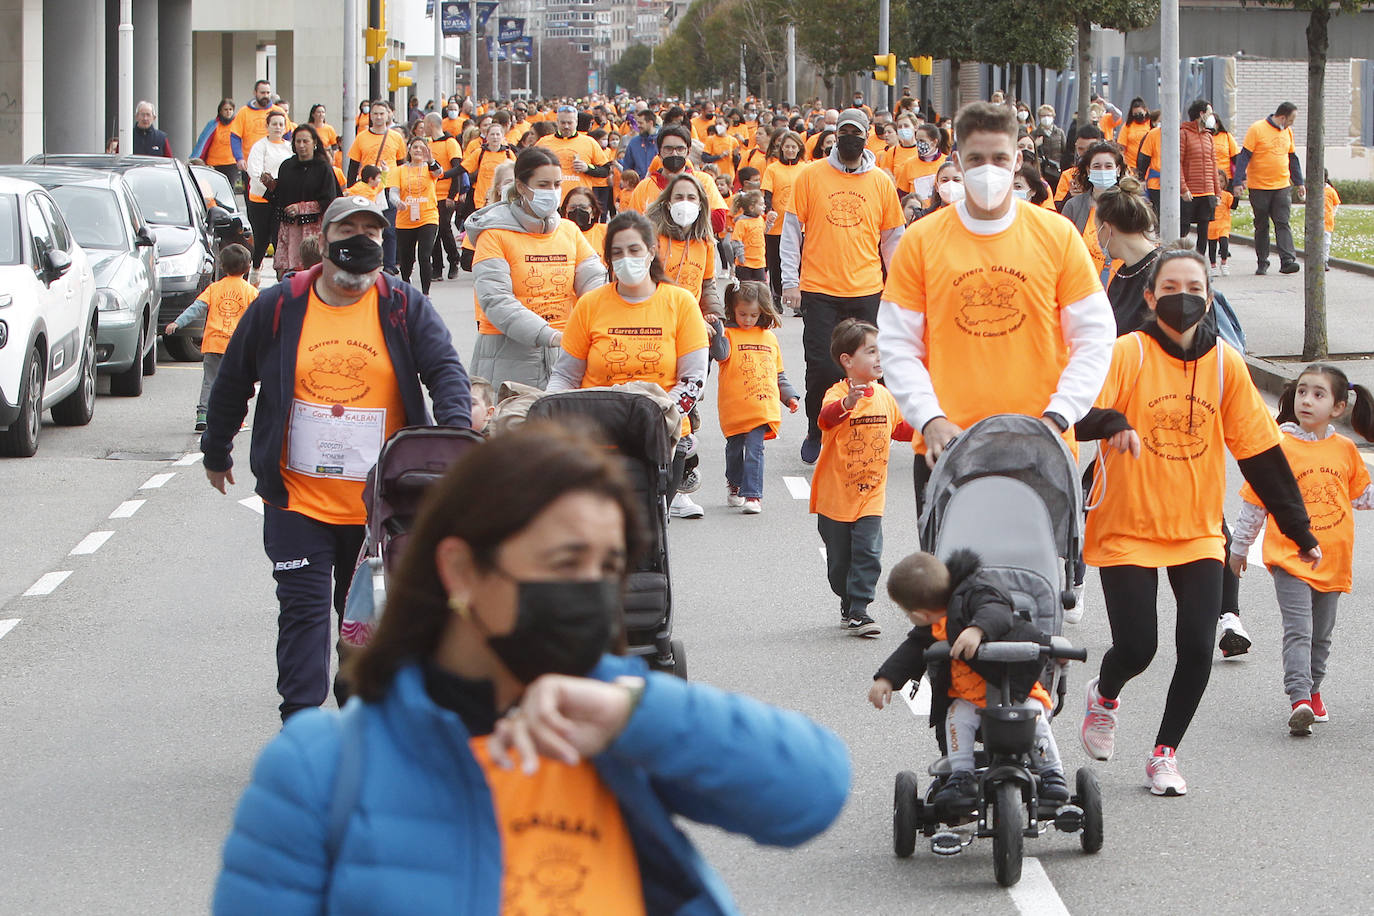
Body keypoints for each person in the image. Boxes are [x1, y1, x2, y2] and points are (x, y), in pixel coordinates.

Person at [212, 423, 851, 914]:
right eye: (565, 561)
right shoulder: (321, 771)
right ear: (462, 570)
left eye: (608, 567)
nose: (592, 591)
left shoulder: (612, 730)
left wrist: (636, 710)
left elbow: (811, 792)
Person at [200, 194, 471, 722]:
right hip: (297, 499)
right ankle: (302, 726)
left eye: (372, 233)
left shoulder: (402, 304)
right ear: (322, 241)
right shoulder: (280, 305)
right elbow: (233, 379)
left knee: (365, 625)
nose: (360, 243)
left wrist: (455, 441)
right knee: (302, 614)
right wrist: (217, 448)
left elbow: (446, 373)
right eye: (348, 232)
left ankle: (359, 718)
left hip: (380, 508)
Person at [1077, 245, 1317, 796]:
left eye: (1193, 290)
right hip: (1127, 527)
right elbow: (1074, 412)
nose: (1182, 300)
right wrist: (1112, 419)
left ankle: (1164, 754)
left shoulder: (1225, 365)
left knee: (1195, 646)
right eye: (1170, 290)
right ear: (1149, 297)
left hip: (1198, 531)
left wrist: (1298, 528)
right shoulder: (1127, 354)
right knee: (1138, 648)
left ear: (1209, 300)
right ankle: (1106, 694)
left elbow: (1260, 453)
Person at [878, 101, 1114, 517]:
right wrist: (930, 419)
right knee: (951, 582)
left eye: (1000, 158)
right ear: (957, 161)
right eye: (976, 159)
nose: (989, 169)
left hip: (1041, 449)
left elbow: (1094, 336)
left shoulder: (1057, 234)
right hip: (947, 448)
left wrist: (1058, 417)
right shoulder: (921, 239)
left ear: (1018, 160)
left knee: (1040, 580)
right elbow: (898, 344)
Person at [1229, 365, 1374, 735]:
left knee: (1321, 635)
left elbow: (1360, 496)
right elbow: (1256, 504)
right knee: (1299, 630)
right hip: (1290, 558)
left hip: (1334, 560)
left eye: (1318, 394)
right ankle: (1299, 700)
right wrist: (1240, 547)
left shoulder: (1344, 450)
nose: (1307, 400)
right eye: (1302, 392)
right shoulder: (1278, 447)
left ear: (1338, 408)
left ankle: (1314, 689)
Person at [869, 549, 1071, 811]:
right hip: (969, 697)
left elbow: (998, 610)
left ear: (917, 614)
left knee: (1034, 718)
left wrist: (977, 629)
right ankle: (961, 774)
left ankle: (1052, 772)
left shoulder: (977, 591)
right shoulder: (932, 625)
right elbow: (913, 648)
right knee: (956, 718)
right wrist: (886, 678)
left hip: (1016, 687)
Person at [781, 108, 904, 465]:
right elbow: (791, 232)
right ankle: (816, 429)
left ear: (867, 136)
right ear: (835, 135)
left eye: (857, 132)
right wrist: (790, 281)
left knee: (868, 366)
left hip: (867, 288)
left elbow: (893, 239)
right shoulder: (810, 176)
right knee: (822, 366)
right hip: (820, 288)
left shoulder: (881, 181)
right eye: (844, 131)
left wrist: (896, 287)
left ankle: (869, 429)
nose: (850, 138)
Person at [465, 147, 606, 390]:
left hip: (564, 354)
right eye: (543, 184)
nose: (552, 192)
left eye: (556, 184)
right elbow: (496, 300)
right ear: (521, 186)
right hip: (507, 353)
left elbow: (594, 279)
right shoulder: (494, 235)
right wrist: (549, 335)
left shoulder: (568, 230)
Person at [810, 319, 914, 636]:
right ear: (847, 360)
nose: (879, 358)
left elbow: (902, 430)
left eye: (881, 351)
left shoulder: (884, 396)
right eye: (871, 351)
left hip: (871, 494)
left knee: (868, 552)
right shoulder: (837, 394)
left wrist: (931, 419)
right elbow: (825, 419)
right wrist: (848, 403)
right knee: (840, 561)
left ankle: (860, 609)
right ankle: (847, 599)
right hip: (836, 495)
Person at [712, 281, 799, 514]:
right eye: (742, 314)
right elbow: (720, 354)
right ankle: (735, 483)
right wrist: (718, 329)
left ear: (762, 312)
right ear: (733, 309)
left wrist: (790, 396)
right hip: (735, 407)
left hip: (762, 406)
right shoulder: (729, 333)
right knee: (734, 449)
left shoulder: (769, 338)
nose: (748, 319)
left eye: (753, 315)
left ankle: (753, 495)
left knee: (755, 449)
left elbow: (778, 374)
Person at [163, 244, 256, 431]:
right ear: (248, 267)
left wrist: (177, 323)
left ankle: (203, 415)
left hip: (214, 343)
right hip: (237, 348)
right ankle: (235, 418)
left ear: (222, 266)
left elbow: (196, 308)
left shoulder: (214, 288)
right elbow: (259, 318)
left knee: (210, 381)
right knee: (237, 384)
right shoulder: (250, 292)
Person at [1234, 101, 1305, 274]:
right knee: (1261, 224)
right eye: (1292, 118)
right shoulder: (1257, 129)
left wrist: (1300, 182)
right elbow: (1244, 156)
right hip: (1259, 186)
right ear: (1282, 117)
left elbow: (1292, 158)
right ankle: (1262, 261)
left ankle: (1287, 260)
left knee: (1282, 222)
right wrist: (1238, 181)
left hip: (1281, 185)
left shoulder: (1288, 132)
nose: (1292, 123)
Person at [647, 173, 724, 321]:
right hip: (660, 315)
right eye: (679, 197)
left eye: (691, 197)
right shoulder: (653, 238)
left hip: (691, 318)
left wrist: (716, 315)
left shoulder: (705, 242)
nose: (685, 202)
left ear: (700, 205)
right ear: (668, 203)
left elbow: (707, 284)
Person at [347, 99, 408, 275]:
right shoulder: (362, 137)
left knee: (389, 228)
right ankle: (367, 261)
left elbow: (401, 163)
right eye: (375, 113)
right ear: (370, 116)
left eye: (382, 113)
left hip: (388, 187)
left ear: (388, 114)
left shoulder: (396, 137)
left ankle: (389, 265)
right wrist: (350, 189)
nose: (379, 117)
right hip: (367, 188)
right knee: (366, 225)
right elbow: (353, 164)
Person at [1094, 178, 1162, 335]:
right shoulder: (1121, 276)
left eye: (1097, 228)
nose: (1097, 238)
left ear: (1107, 229)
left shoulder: (1165, 272)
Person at [271, 124, 341, 275]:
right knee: (286, 273)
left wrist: (301, 208)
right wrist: (272, 187)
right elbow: (280, 199)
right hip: (289, 229)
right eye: (298, 141)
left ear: (314, 142)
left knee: (313, 271)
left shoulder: (323, 167)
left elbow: (330, 200)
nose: (301, 145)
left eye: (305, 141)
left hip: (314, 229)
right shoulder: (286, 166)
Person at [1062, 141, 1127, 277]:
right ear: (1088, 170)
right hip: (1082, 284)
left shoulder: (1131, 205)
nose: (1102, 170)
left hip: (1121, 285)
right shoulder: (1073, 206)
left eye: (1108, 166)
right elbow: (1062, 250)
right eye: (1097, 166)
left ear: (1118, 169)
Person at [243, 108, 293, 285]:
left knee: (279, 237)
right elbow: (254, 173)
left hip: (281, 200)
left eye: (281, 124)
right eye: (274, 124)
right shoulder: (260, 146)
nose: (278, 127)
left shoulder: (289, 148)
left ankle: (281, 277)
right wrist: (270, 191)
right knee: (261, 239)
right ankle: (255, 269)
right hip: (260, 200)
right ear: (267, 126)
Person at [761, 130, 806, 306]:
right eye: (787, 146)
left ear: (799, 148)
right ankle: (777, 296)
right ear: (781, 148)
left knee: (801, 262)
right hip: (777, 225)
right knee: (776, 263)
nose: (790, 150)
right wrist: (768, 212)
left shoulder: (805, 168)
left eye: (793, 146)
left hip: (800, 224)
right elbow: (767, 195)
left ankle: (800, 299)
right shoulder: (772, 169)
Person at [394, 136, 443, 295]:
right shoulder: (400, 170)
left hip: (428, 217)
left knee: (424, 255)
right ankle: (406, 285)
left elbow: (438, 172)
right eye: (415, 147)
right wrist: (398, 203)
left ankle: (425, 294)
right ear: (409, 149)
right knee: (406, 260)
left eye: (421, 148)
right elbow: (393, 193)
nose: (417, 150)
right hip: (405, 220)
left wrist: (430, 161)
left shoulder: (430, 168)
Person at [422, 112, 465, 282]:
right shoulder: (429, 145)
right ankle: (437, 267)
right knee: (433, 231)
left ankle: (454, 259)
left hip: (445, 195)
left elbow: (457, 171)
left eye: (425, 124)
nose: (423, 127)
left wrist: (452, 195)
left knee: (444, 228)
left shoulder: (451, 143)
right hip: (430, 195)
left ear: (431, 124)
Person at [1176, 100, 1221, 252]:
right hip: (1190, 192)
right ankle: (1178, 257)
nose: (1212, 117)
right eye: (1209, 113)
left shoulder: (1209, 136)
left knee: (1204, 229)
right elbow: (1178, 163)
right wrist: (1183, 188)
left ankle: (1200, 261)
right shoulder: (1184, 134)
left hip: (1207, 191)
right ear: (1201, 114)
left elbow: (1213, 165)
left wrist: (1217, 192)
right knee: (1183, 228)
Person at [538, 104, 614, 193]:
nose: (566, 126)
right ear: (557, 122)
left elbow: (605, 170)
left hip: (580, 199)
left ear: (576, 122)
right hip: (551, 198)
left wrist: (587, 168)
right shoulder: (543, 142)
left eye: (570, 123)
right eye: (563, 123)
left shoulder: (589, 142)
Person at [231, 80, 284, 175]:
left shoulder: (278, 111)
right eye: (262, 93)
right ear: (255, 93)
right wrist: (239, 158)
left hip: (275, 164)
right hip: (250, 164)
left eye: (268, 93)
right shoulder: (244, 112)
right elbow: (235, 137)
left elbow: (288, 135)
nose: (265, 96)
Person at [894, 123, 948, 209]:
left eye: (922, 141)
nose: (919, 144)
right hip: (917, 215)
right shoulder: (909, 164)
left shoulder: (946, 162)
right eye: (917, 140)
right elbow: (902, 195)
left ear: (934, 142)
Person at [195, 98, 241, 187]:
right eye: (226, 109)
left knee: (229, 189)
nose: (228, 112)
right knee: (213, 190)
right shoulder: (212, 124)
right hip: (214, 164)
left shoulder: (237, 124)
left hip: (231, 163)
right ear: (220, 111)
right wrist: (195, 158)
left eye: (230, 110)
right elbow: (202, 142)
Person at [1056, 124, 1103, 209]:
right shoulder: (1068, 175)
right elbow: (1058, 209)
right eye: (1081, 149)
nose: (1085, 154)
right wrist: (1070, 195)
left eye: (1089, 149)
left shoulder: (1108, 173)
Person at [731, 190, 767, 283]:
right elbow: (736, 240)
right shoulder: (741, 222)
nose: (764, 206)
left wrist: (769, 223)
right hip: (745, 263)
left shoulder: (760, 219)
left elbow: (763, 232)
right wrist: (740, 255)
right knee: (746, 288)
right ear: (751, 208)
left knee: (760, 287)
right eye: (761, 204)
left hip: (759, 262)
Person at [1209, 169, 1237, 277]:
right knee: (1212, 247)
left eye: (1221, 181)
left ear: (1225, 183)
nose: (1219, 184)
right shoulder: (1209, 195)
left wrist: (1237, 196)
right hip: (1211, 225)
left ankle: (1224, 264)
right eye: (1216, 181)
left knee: (1224, 245)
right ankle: (1213, 266)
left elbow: (1233, 206)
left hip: (1223, 224)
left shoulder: (1227, 195)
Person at [561, 185, 605, 252]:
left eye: (583, 208)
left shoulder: (605, 232)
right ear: (565, 211)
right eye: (572, 207)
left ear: (593, 212)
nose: (577, 211)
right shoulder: (558, 235)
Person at [622, 109, 659, 177]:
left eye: (641, 123)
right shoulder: (633, 143)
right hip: (639, 185)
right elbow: (627, 169)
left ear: (650, 123)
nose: (638, 126)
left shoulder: (662, 141)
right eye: (637, 123)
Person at [1323, 171, 1340, 271]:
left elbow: (1336, 204)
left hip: (1327, 222)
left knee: (1326, 243)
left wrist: (1332, 214)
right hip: (1315, 222)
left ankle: (1324, 261)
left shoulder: (1331, 191)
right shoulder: (1313, 189)